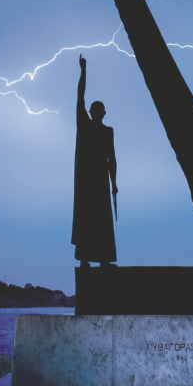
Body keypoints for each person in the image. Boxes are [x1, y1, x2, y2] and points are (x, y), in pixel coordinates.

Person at [72, 54, 118, 268]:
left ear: (102, 113)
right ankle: (85, 259)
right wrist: (83, 70)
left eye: (100, 110)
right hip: (89, 180)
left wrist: (114, 183)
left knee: (101, 219)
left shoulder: (108, 131)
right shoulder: (84, 124)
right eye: (96, 110)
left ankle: (103, 259)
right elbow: (80, 94)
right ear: (92, 112)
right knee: (89, 217)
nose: (98, 113)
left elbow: (112, 158)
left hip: (99, 180)